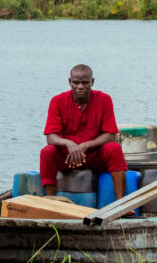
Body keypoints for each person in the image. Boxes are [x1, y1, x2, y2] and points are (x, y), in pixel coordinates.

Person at [40, 64, 129, 200]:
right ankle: (50, 201)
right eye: (76, 82)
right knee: (47, 152)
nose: (80, 86)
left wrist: (85, 146)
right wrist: (69, 144)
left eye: (85, 83)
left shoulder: (104, 100)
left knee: (114, 148)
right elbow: (51, 137)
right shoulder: (57, 101)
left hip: (94, 155)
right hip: (67, 157)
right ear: (70, 82)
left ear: (92, 82)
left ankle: (120, 202)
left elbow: (110, 136)